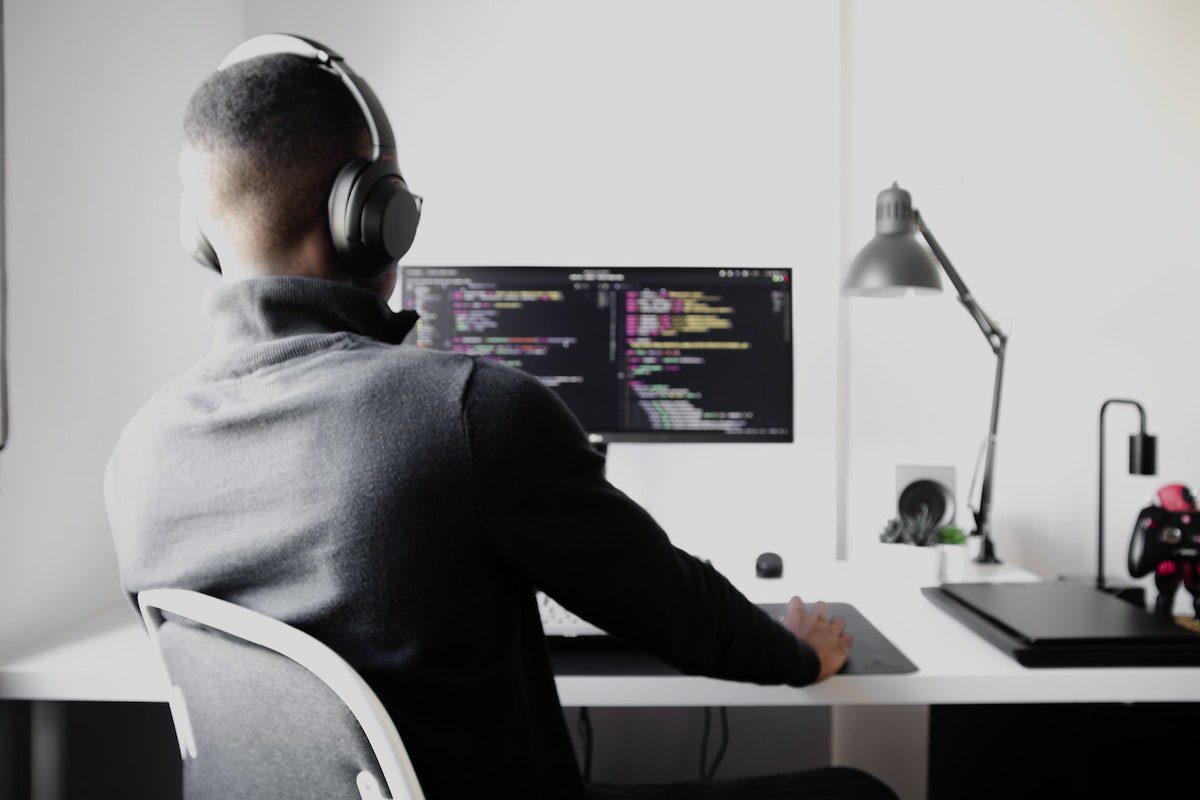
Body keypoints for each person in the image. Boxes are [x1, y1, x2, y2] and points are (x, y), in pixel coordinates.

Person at [104, 43, 895, 800]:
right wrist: (799, 652)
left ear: (203, 235)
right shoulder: (467, 410)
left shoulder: (138, 456)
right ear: (372, 217)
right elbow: (678, 612)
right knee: (858, 790)